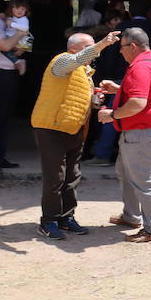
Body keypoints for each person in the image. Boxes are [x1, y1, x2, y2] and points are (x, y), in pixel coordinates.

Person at [31, 29, 121, 239]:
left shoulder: (86, 74)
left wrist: (95, 101)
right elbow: (77, 59)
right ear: (73, 48)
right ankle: (49, 221)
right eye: (88, 48)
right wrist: (101, 44)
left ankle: (66, 218)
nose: (94, 54)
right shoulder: (61, 61)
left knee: (72, 176)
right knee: (56, 177)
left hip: (74, 129)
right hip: (51, 127)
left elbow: (81, 100)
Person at [98, 28, 151, 243]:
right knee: (125, 171)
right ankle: (132, 216)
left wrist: (112, 115)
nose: (120, 52)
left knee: (143, 182)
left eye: (121, 47)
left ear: (132, 46)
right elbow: (145, 94)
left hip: (142, 132)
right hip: (146, 130)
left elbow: (138, 103)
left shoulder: (140, 67)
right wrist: (118, 90)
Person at [0, 0, 28, 173]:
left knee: (2, 118)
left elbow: (13, 45)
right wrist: (23, 32)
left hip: (6, 72)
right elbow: (5, 45)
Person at [85, 11, 130, 166]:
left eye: (118, 20)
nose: (115, 23)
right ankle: (109, 152)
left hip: (109, 81)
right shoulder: (125, 38)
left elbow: (104, 63)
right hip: (118, 80)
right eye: (113, 19)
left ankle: (103, 153)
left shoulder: (103, 40)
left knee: (108, 116)